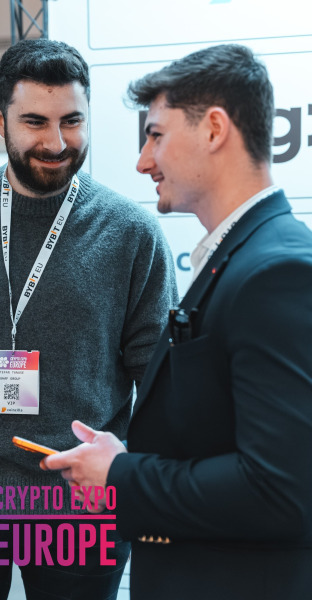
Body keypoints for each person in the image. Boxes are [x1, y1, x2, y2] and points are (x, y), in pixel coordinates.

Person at [0, 38, 177, 600]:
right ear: (1, 120)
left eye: (72, 121)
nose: (57, 143)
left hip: (81, 503)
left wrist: (145, 483)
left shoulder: (132, 235)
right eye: (35, 122)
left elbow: (157, 377)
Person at [43, 44, 312, 600]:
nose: (143, 161)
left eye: (156, 136)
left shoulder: (275, 272)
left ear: (214, 129)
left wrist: (120, 476)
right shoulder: (244, 258)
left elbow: (281, 490)